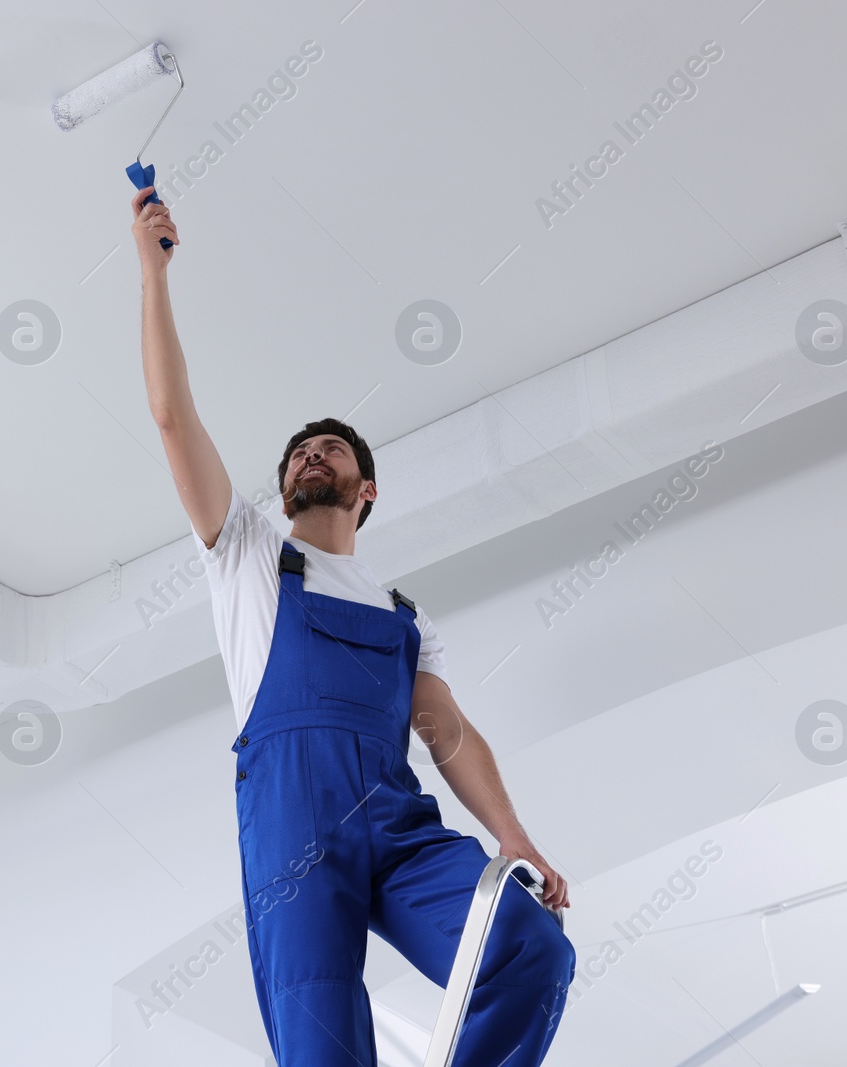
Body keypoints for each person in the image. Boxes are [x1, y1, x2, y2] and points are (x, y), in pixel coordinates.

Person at [131, 186, 575, 1066]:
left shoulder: (405, 617)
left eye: (329, 449)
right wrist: (154, 273)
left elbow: (444, 729)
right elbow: (173, 416)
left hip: (396, 822)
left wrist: (510, 833)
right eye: (298, 451)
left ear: (365, 488)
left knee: (530, 950)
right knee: (323, 1046)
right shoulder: (247, 555)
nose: (308, 456)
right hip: (294, 831)